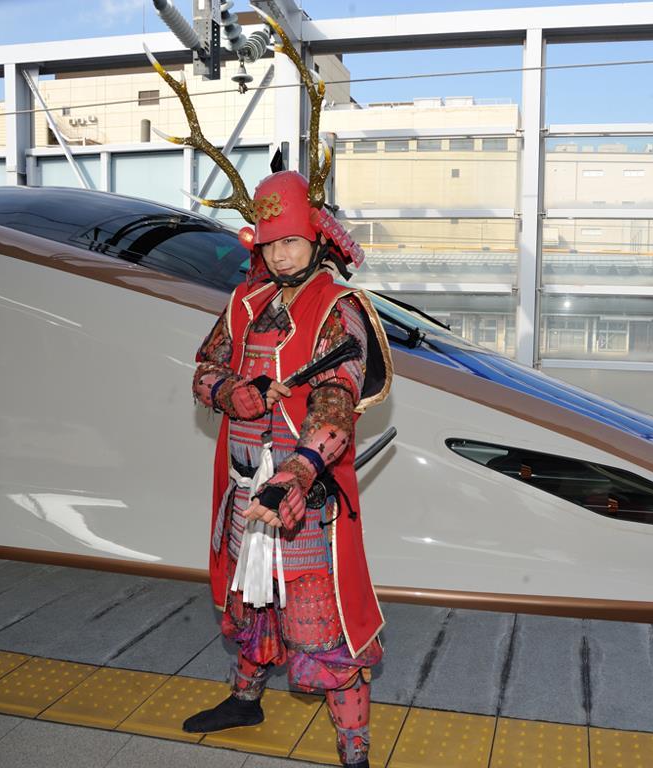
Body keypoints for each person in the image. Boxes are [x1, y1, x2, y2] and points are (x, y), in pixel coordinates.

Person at [184, 170, 392, 768]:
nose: (279, 255)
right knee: (249, 600)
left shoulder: (339, 308)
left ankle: (355, 752)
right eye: (270, 244)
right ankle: (245, 699)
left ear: (318, 240)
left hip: (305, 498)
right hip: (245, 485)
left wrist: (298, 471)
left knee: (324, 626)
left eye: (291, 242)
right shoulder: (244, 302)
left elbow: (336, 401)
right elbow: (203, 370)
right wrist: (232, 393)